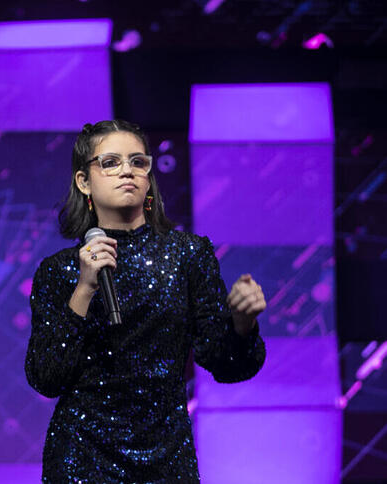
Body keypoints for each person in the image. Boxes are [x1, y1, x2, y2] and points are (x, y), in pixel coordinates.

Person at [25, 120, 266, 483]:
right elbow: (45, 376)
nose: (127, 171)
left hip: (166, 456)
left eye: (138, 162)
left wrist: (241, 322)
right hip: (82, 456)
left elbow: (226, 365)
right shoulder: (58, 271)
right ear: (83, 181)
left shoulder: (189, 255)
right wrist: (85, 287)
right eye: (110, 162)